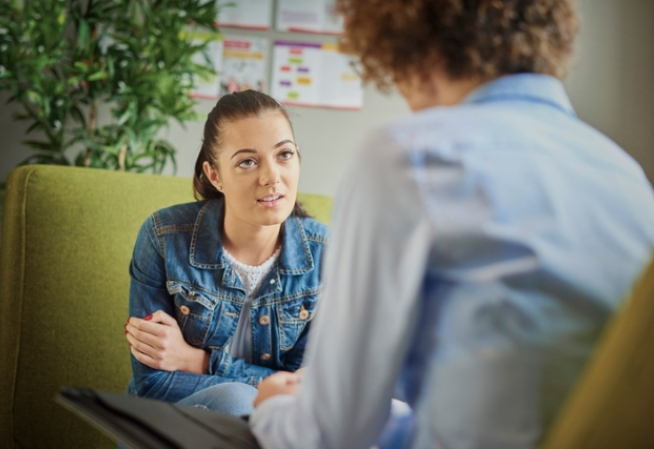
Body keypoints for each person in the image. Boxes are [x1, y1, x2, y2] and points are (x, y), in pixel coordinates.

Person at [248, 1, 654, 448]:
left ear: (406, 39)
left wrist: (273, 407)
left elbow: (329, 436)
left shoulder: (409, 156)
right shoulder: (627, 176)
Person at [124, 90, 328, 416]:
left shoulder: (325, 255)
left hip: (274, 430)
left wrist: (197, 361)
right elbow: (153, 383)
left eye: (284, 155)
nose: (272, 177)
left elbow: (308, 392)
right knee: (236, 402)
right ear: (215, 175)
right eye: (247, 162)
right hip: (166, 423)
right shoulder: (164, 237)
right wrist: (263, 389)